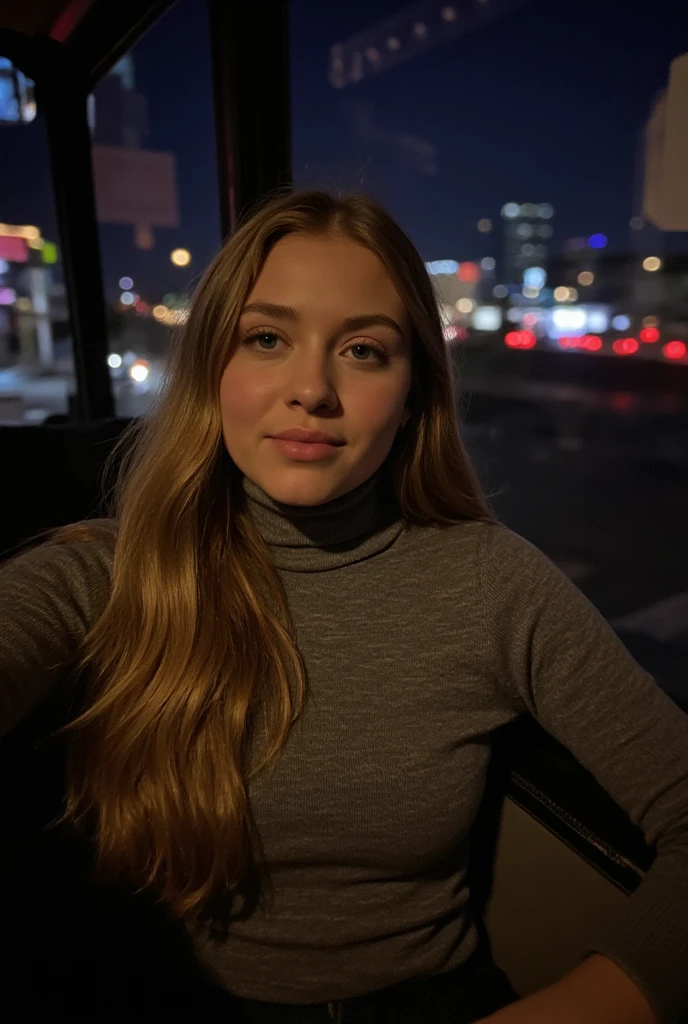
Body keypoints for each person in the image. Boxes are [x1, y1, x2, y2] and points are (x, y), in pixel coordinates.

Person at [1, 189, 688, 1024]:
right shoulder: (111, 573)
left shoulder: (490, 583)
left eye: (364, 351)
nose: (313, 389)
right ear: (212, 368)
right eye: (266, 339)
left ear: (412, 397)